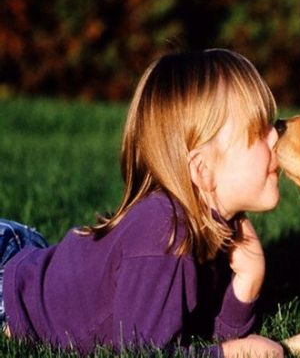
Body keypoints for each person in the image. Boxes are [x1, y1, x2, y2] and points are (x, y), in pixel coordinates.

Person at [0, 49, 284, 357]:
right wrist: (230, 356)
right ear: (202, 170)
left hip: (28, 258)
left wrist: (247, 282)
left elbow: (199, 332)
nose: (275, 138)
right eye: (258, 131)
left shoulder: (212, 226)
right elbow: (140, 352)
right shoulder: (164, 231)